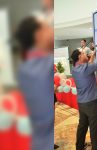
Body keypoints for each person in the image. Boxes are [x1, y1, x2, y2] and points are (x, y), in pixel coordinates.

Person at [15, 16, 54, 150]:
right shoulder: (43, 65)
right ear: (38, 35)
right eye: (47, 27)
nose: (51, 30)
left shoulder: (26, 66)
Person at [71, 43, 97, 150]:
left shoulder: (74, 69)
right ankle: (96, 148)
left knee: (82, 126)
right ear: (79, 56)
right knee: (94, 127)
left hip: (81, 103)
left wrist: (91, 57)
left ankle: (79, 147)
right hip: (91, 103)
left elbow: (88, 67)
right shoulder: (86, 68)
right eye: (83, 53)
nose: (85, 54)